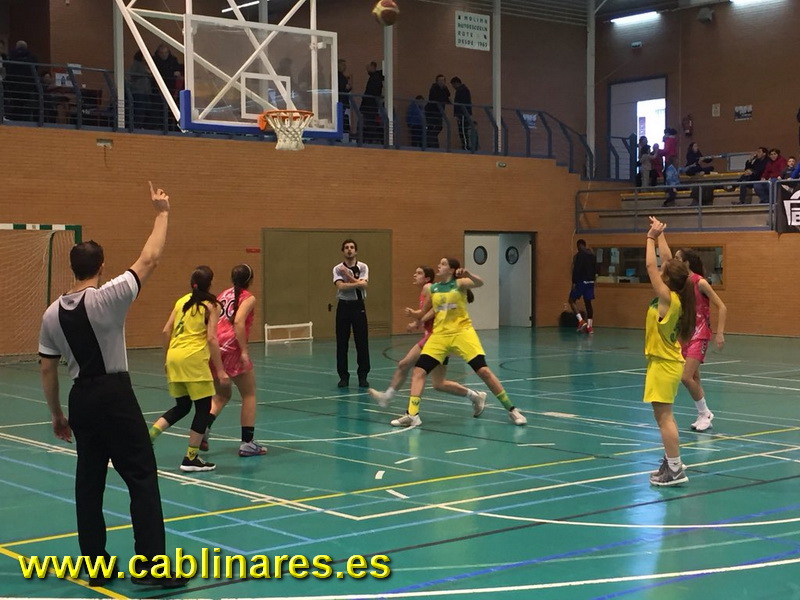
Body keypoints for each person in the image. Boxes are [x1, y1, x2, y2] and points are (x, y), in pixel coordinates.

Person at [39, 182, 183, 588]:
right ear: (101, 266)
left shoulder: (51, 314)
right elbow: (150, 257)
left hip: (80, 399)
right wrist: (162, 212)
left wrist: (57, 414)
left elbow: (47, 369)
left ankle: (96, 566)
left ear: (72, 268)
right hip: (115, 396)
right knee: (141, 477)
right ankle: (151, 566)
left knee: (89, 483)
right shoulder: (108, 298)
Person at [390, 257, 527, 427]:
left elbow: (480, 282)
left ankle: (512, 410)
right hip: (440, 336)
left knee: (484, 371)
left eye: (443, 264)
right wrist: (415, 318)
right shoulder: (433, 288)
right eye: (439, 263)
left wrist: (469, 274)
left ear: (452, 269)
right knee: (419, 371)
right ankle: (412, 415)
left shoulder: (460, 283)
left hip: (462, 333)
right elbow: (427, 311)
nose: (439, 266)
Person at [368, 266, 487, 416]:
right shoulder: (428, 290)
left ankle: (389, 399)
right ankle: (475, 396)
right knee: (439, 383)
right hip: (438, 337)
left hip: (436, 337)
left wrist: (417, 319)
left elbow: (434, 310)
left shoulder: (428, 288)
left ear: (427, 278)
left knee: (405, 364)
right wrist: (417, 320)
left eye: (419, 273)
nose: (415, 275)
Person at [148, 266, 229, 473]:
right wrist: (220, 370)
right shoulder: (211, 305)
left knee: (183, 406)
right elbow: (211, 338)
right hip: (193, 360)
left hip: (174, 357)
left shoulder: (181, 301)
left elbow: (166, 331)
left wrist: (167, 359)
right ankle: (191, 458)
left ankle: (148, 438)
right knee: (203, 408)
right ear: (210, 283)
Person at [643, 216, 696, 486]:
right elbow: (666, 261)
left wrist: (650, 237)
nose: (662, 268)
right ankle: (671, 461)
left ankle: (675, 469)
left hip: (664, 365)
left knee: (665, 418)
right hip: (664, 363)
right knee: (663, 416)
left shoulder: (667, 298)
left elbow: (651, 266)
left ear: (667, 278)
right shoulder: (678, 293)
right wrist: (662, 233)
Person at [202, 264, 267, 457]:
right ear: (251, 280)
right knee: (249, 393)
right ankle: (247, 442)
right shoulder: (249, 298)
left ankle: (204, 428)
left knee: (221, 395)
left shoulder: (223, 294)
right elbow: (238, 321)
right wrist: (244, 351)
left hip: (215, 345)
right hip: (232, 346)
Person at [674, 248, 727, 432]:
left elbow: (722, 306)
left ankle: (705, 413)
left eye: (677, 258)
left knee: (686, 377)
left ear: (686, 262)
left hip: (700, 333)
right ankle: (702, 414)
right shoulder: (681, 283)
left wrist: (720, 332)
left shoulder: (700, 282)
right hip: (686, 334)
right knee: (695, 377)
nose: (674, 261)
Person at [334, 239, 370, 388]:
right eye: (346, 247)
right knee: (342, 343)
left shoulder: (363, 267)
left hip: (358, 307)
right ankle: (343, 377)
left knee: (362, 342)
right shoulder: (337, 268)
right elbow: (341, 287)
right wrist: (356, 283)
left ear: (356, 251)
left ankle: (363, 376)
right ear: (343, 251)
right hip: (343, 307)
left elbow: (364, 285)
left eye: (352, 247)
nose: (349, 249)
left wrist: (347, 276)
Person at [569, 239, 596, 334]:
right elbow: (596, 268)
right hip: (591, 281)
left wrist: (574, 282)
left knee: (571, 300)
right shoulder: (592, 255)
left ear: (579, 246)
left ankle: (581, 321)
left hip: (581, 281)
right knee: (588, 303)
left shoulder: (580, 255)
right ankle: (589, 326)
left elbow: (577, 269)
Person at [425, 74, 450, 148]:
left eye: (443, 80)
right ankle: (431, 144)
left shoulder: (444, 89)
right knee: (432, 128)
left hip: (439, 112)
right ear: (436, 81)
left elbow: (447, 96)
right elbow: (435, 97)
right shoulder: (434, 88)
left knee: (437, 127)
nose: (441, 82)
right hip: (432, 112)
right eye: (439, 80)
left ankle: (432, 144)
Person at [450, 76, 473, 151]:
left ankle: (465, 146)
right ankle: (465, 145)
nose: (453, 87)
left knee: (462, 130)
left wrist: (457, 114)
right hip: (464, 113)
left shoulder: (461, 90)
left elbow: (460, 103)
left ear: (456, 83)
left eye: (453, 85)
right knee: (463, 130)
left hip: (462, 114)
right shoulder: (464, 90)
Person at [337, 59, 352, 135]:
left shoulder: (342, 76)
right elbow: (341, 87)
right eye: (343, 65)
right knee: (341, 118)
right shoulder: (338, 76)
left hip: (343, 101)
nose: (345, 67)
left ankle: (343, 133)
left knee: (344, 118)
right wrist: (347, 87)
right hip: (341, 100)